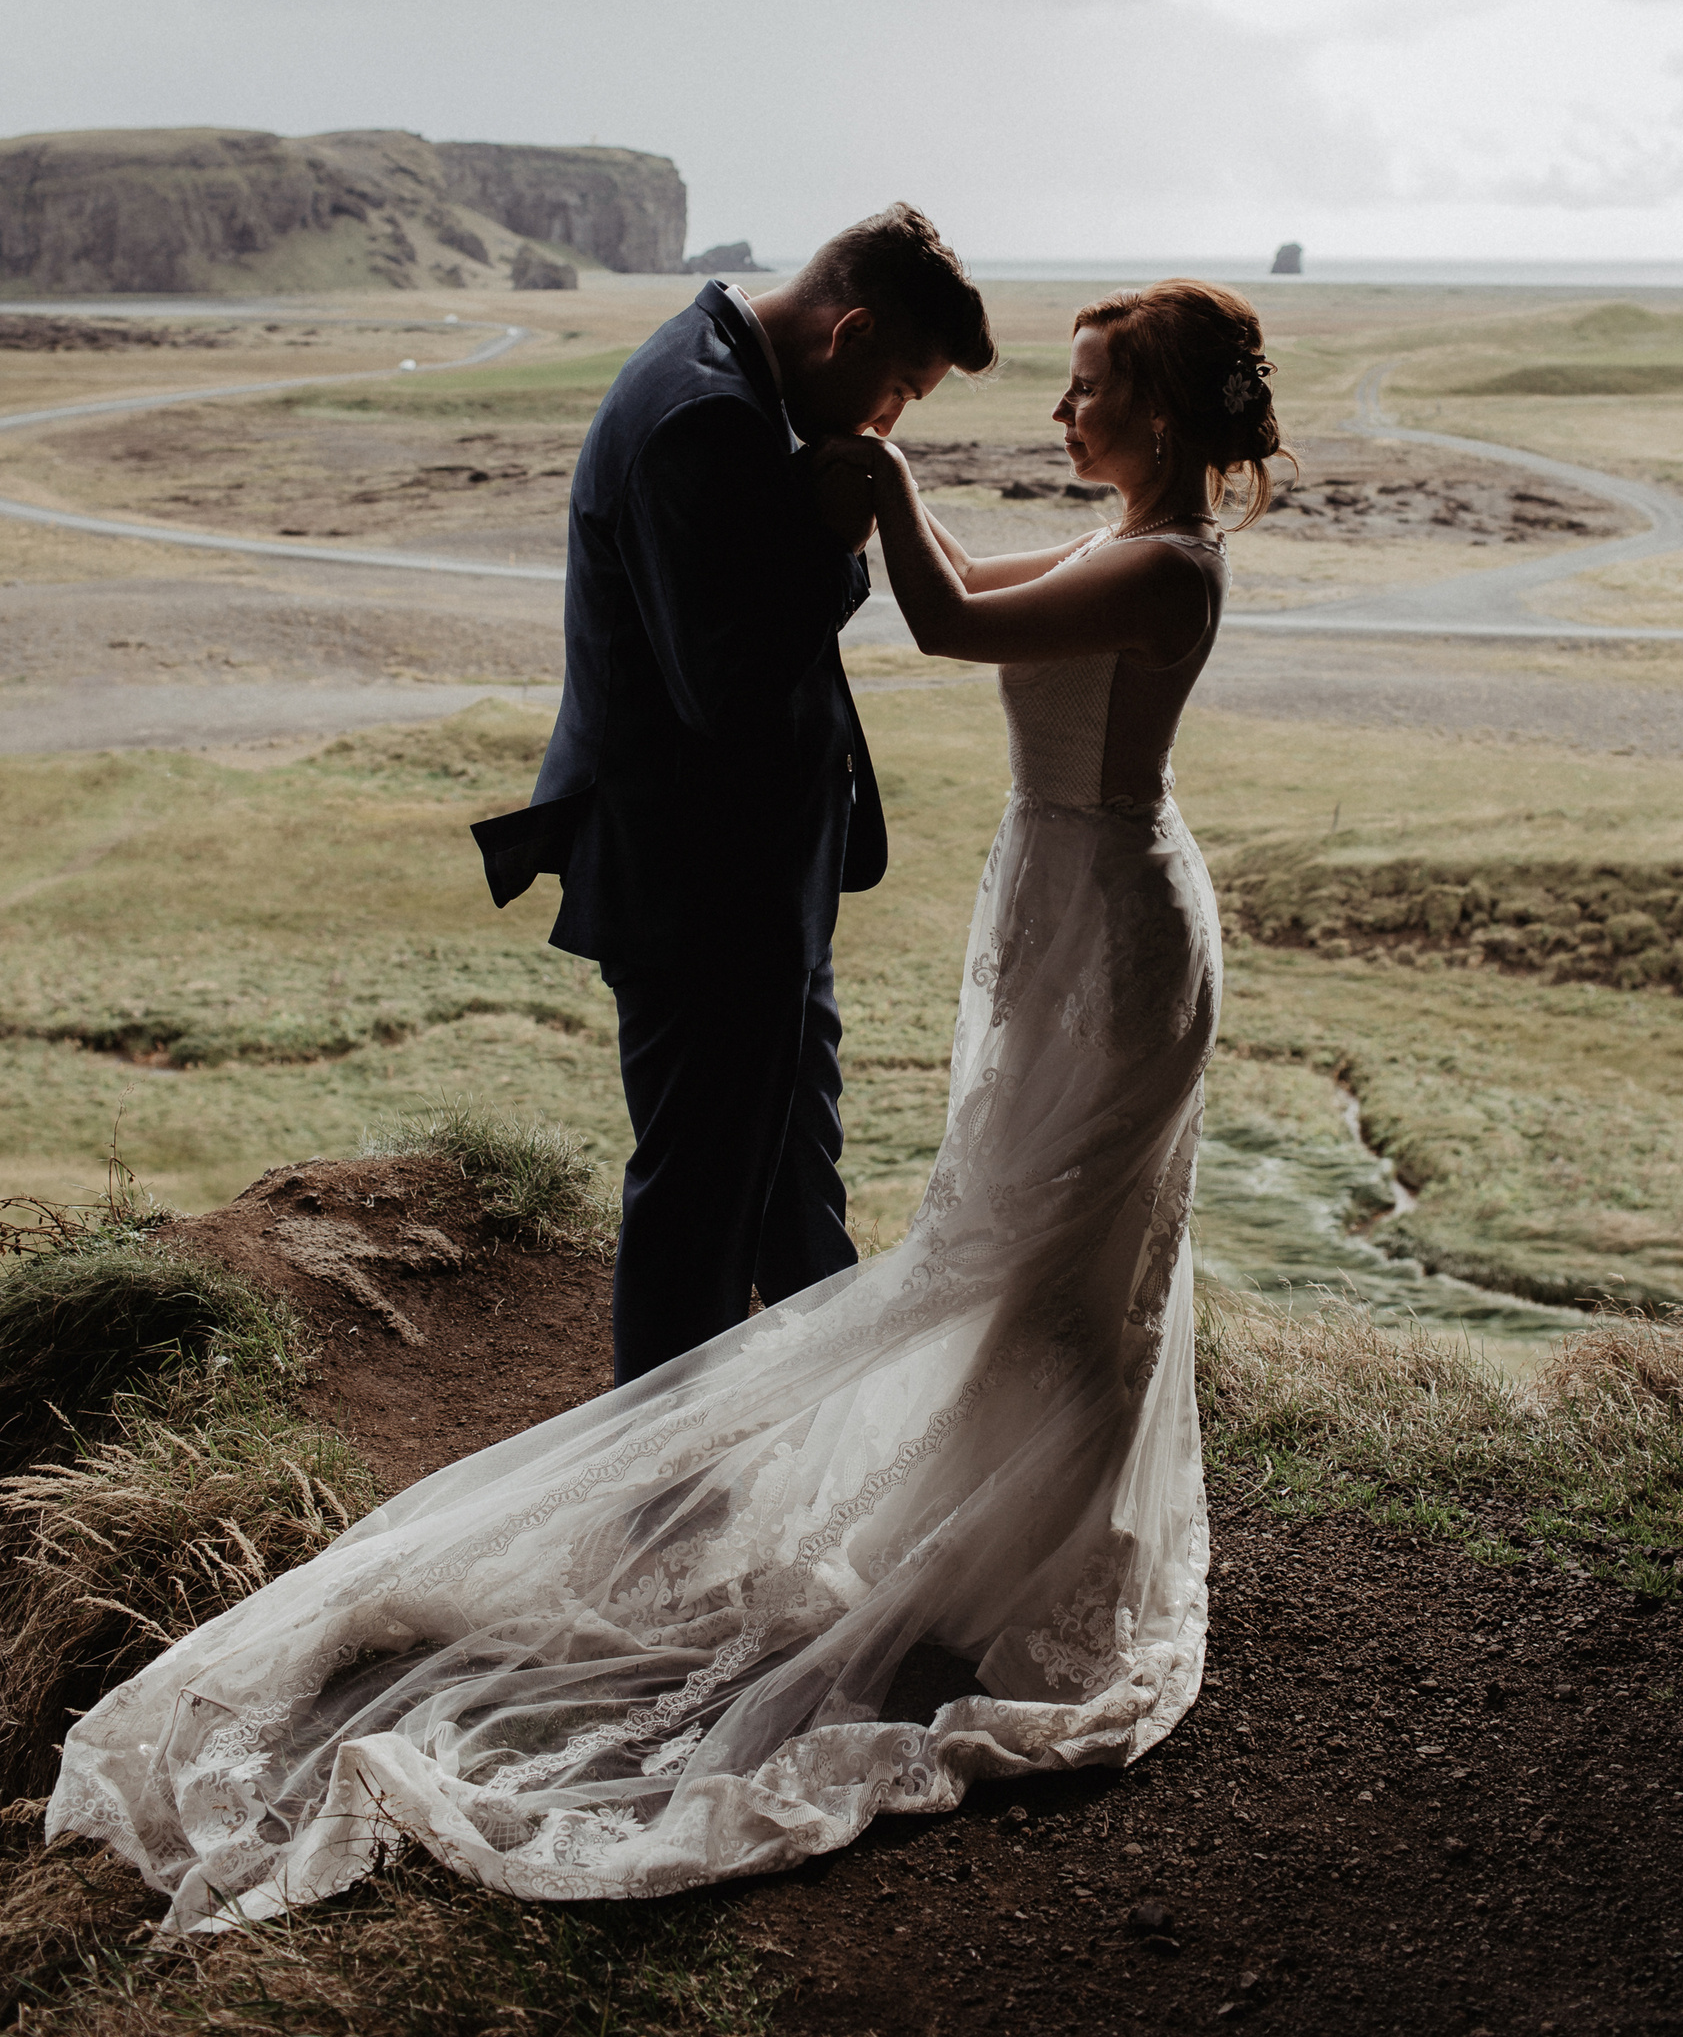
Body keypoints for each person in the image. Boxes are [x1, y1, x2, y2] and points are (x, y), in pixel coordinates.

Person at [48, 279, 1287, 1933]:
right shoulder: (1122, 538)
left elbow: (954, 623)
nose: (1062, 416)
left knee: (1051, 1257)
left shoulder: (1165, 563)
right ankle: (993, 1547)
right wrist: (895, 511)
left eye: (1086, 392)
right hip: (1063, 902)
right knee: (1019, 1239)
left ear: (1159, 414)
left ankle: (1026, 1568)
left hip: (1112, 931)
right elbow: (993, 590)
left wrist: (886, 491)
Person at [472, 206, 995, 1382]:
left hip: (759, 889)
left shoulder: (729, 384)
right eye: (900, 386)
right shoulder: (702, 413)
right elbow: (728, 689)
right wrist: (831, 545)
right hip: (699, 894)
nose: (890, 420)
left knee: (796, 1192)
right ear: (849, 329)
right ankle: (659, 1506)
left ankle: (817, 1460)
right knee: (699, 1217)